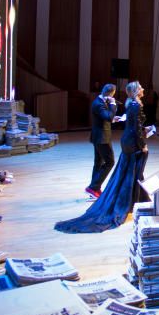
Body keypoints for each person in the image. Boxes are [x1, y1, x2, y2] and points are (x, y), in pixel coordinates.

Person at [57, 81, 150, 233]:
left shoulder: (128, 104)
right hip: (107, 138)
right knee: (112, 163)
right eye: (141, 87)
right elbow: (120, 122)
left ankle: (95, 187)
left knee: (104, 164)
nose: (143, 89)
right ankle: (96, 188)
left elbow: (129, 124)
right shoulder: (110, 104)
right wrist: (142, 143)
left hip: (114, 138)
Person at [86, 84, 117, 199]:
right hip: (102, 138)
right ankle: (93, 187)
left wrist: (114, 118)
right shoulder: (99, 104)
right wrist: (113, 105)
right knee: (110, 162)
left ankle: (94, 190)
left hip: (99, 136)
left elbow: (105, 118)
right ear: (112, 93)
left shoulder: (100, 101)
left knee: (98, 163)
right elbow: (108, 116)